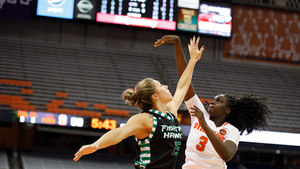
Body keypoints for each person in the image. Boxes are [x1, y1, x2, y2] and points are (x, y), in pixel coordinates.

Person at [73, 37, 205, 169]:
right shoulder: (145, 119)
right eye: (160, 85)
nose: (165, 86)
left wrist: (193, 60)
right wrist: (96, 145)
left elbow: (182, 87)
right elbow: (120, 133)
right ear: (154, 95)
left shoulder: (170, 112)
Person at [155, 35, 273, 169]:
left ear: (227, 110)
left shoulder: (231, 130)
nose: (212, 102)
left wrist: (205, 125)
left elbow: (227, 155)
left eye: (219, 101)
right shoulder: (200, 113)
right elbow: (184, 80)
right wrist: (177, 43)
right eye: (214, 100)